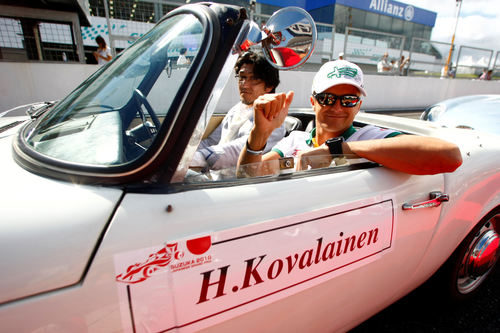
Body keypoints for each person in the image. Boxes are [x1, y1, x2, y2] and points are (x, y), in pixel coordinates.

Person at [237, 59, 462, 176]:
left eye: (348, 100)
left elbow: (450, 156)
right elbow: (245, 178)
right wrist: (259, 133)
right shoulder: (295, 140)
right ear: (313, 101)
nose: (337, 106)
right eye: (327, 98)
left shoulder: (369, 137)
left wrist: (337, 150)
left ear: (358, 106)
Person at [191, 51, 285, 170]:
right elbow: (211, 141)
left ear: (269, 86)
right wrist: (185, 154)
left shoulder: (273, 119)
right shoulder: (237, 109)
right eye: (242, 77)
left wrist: (197, 158)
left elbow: (237, 151)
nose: (244, 85)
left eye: (254, 79)